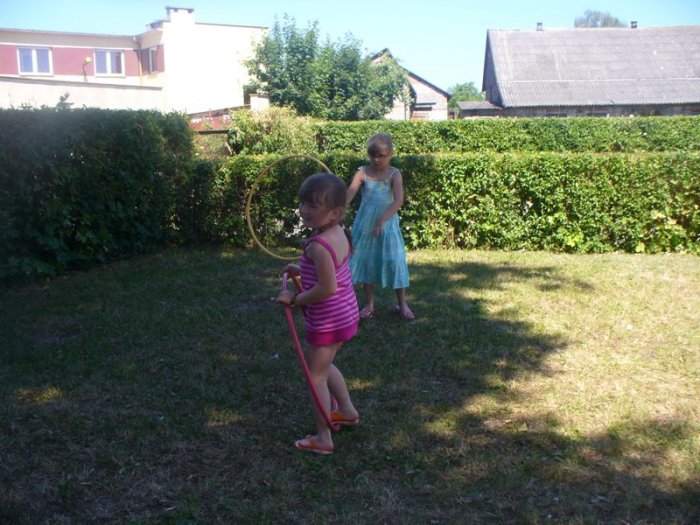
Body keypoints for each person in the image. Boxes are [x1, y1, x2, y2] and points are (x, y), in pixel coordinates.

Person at [277, 172, 360, 455]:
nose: (304, 210)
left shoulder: (318, 246)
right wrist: (301, 269)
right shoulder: (338, 234)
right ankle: (346, 411)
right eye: (303, 203)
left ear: (334, 212)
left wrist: (295, 299)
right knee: (324, 366)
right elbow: (329, 272)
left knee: (315, 377)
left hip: (328, 319)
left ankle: (324, 438)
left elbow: (326, 287)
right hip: (345, 314)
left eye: (313, 205)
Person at [346, 133, 415, 321]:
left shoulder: (394, 174)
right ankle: (369, 304)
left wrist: (381, 220)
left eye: (381, 155)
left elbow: (398, 201)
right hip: (365, 225)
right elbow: (349, 194)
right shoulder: (362, 172)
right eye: (373, 155)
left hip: (387, 224)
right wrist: (337, 209)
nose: (376, 159)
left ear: (390, 154)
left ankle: (402, 304)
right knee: (366, 260)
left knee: (395, 260)